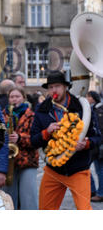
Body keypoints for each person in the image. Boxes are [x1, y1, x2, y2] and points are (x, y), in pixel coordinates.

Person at [30, 71, 101, 210]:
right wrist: (46, 132)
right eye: (50, 87)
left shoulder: (81, 107)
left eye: (57, 86)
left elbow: (97, 137)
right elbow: (33, 140)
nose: (53, 90)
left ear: (65, 87)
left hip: (78, 169)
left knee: (84, 210)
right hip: (53, 170)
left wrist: (86, 144)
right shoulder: (42, 109)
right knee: (45, 210)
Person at [2, 87, 38, 209]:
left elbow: (36, 138)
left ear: (23, 98)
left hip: (27, 161)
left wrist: (19, 138)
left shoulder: (32, 116)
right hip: (8, 162)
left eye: (17, 96)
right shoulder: (2, 115)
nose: (14, 99)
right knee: (8, 198)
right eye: (12, 97)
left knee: (28, 198)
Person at [87, 91, 103, 202]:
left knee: (100, 170)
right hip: (95, 144)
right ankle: (92, 190)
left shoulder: (99, 110)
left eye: (88, 97)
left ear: (93, 98)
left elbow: (99, 129)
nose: (87, 99)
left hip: (99, 145)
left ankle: (100, 193)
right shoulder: (94, 109)